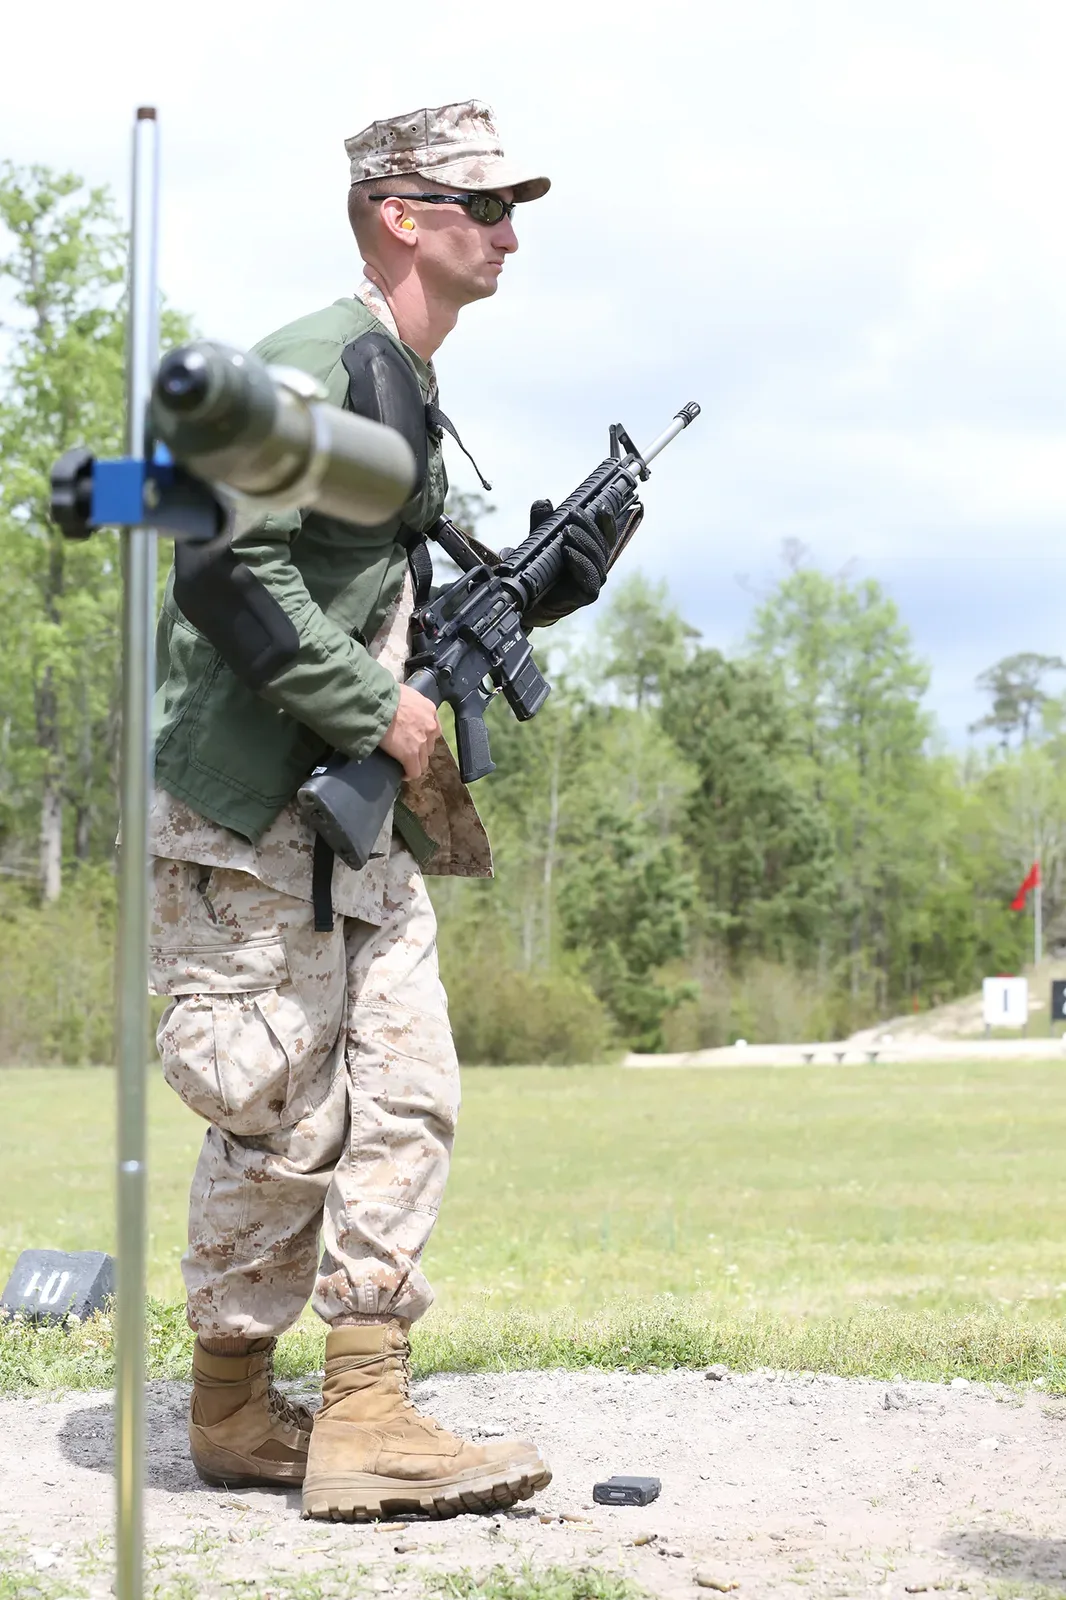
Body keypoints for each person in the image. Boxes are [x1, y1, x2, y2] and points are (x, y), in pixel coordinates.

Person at [147, 99, 613, 1522]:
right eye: (482, 205)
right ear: (397, 214)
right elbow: (223, 566)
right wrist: (375, 710)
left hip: (361, 823)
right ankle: (231, 1406)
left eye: (513, 205)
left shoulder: (402, 380)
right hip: (251, 815)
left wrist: (535, 585)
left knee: (408, 1092)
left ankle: (364, 1410)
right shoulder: (313, 363)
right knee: (279, 1118)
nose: (508, 233)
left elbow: (375, 585)